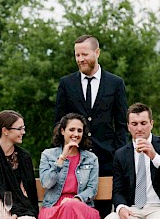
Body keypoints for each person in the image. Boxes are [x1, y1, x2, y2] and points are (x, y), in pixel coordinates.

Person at [54, 35, 127, 181]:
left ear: (97, 52)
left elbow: (121, 125)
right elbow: (59, 123)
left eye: (84, 54)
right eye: (77, 55)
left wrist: (118, 156)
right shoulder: (66, 84)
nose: (80, 59)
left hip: (107, 162)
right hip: (74, 161)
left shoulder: (116, 83)